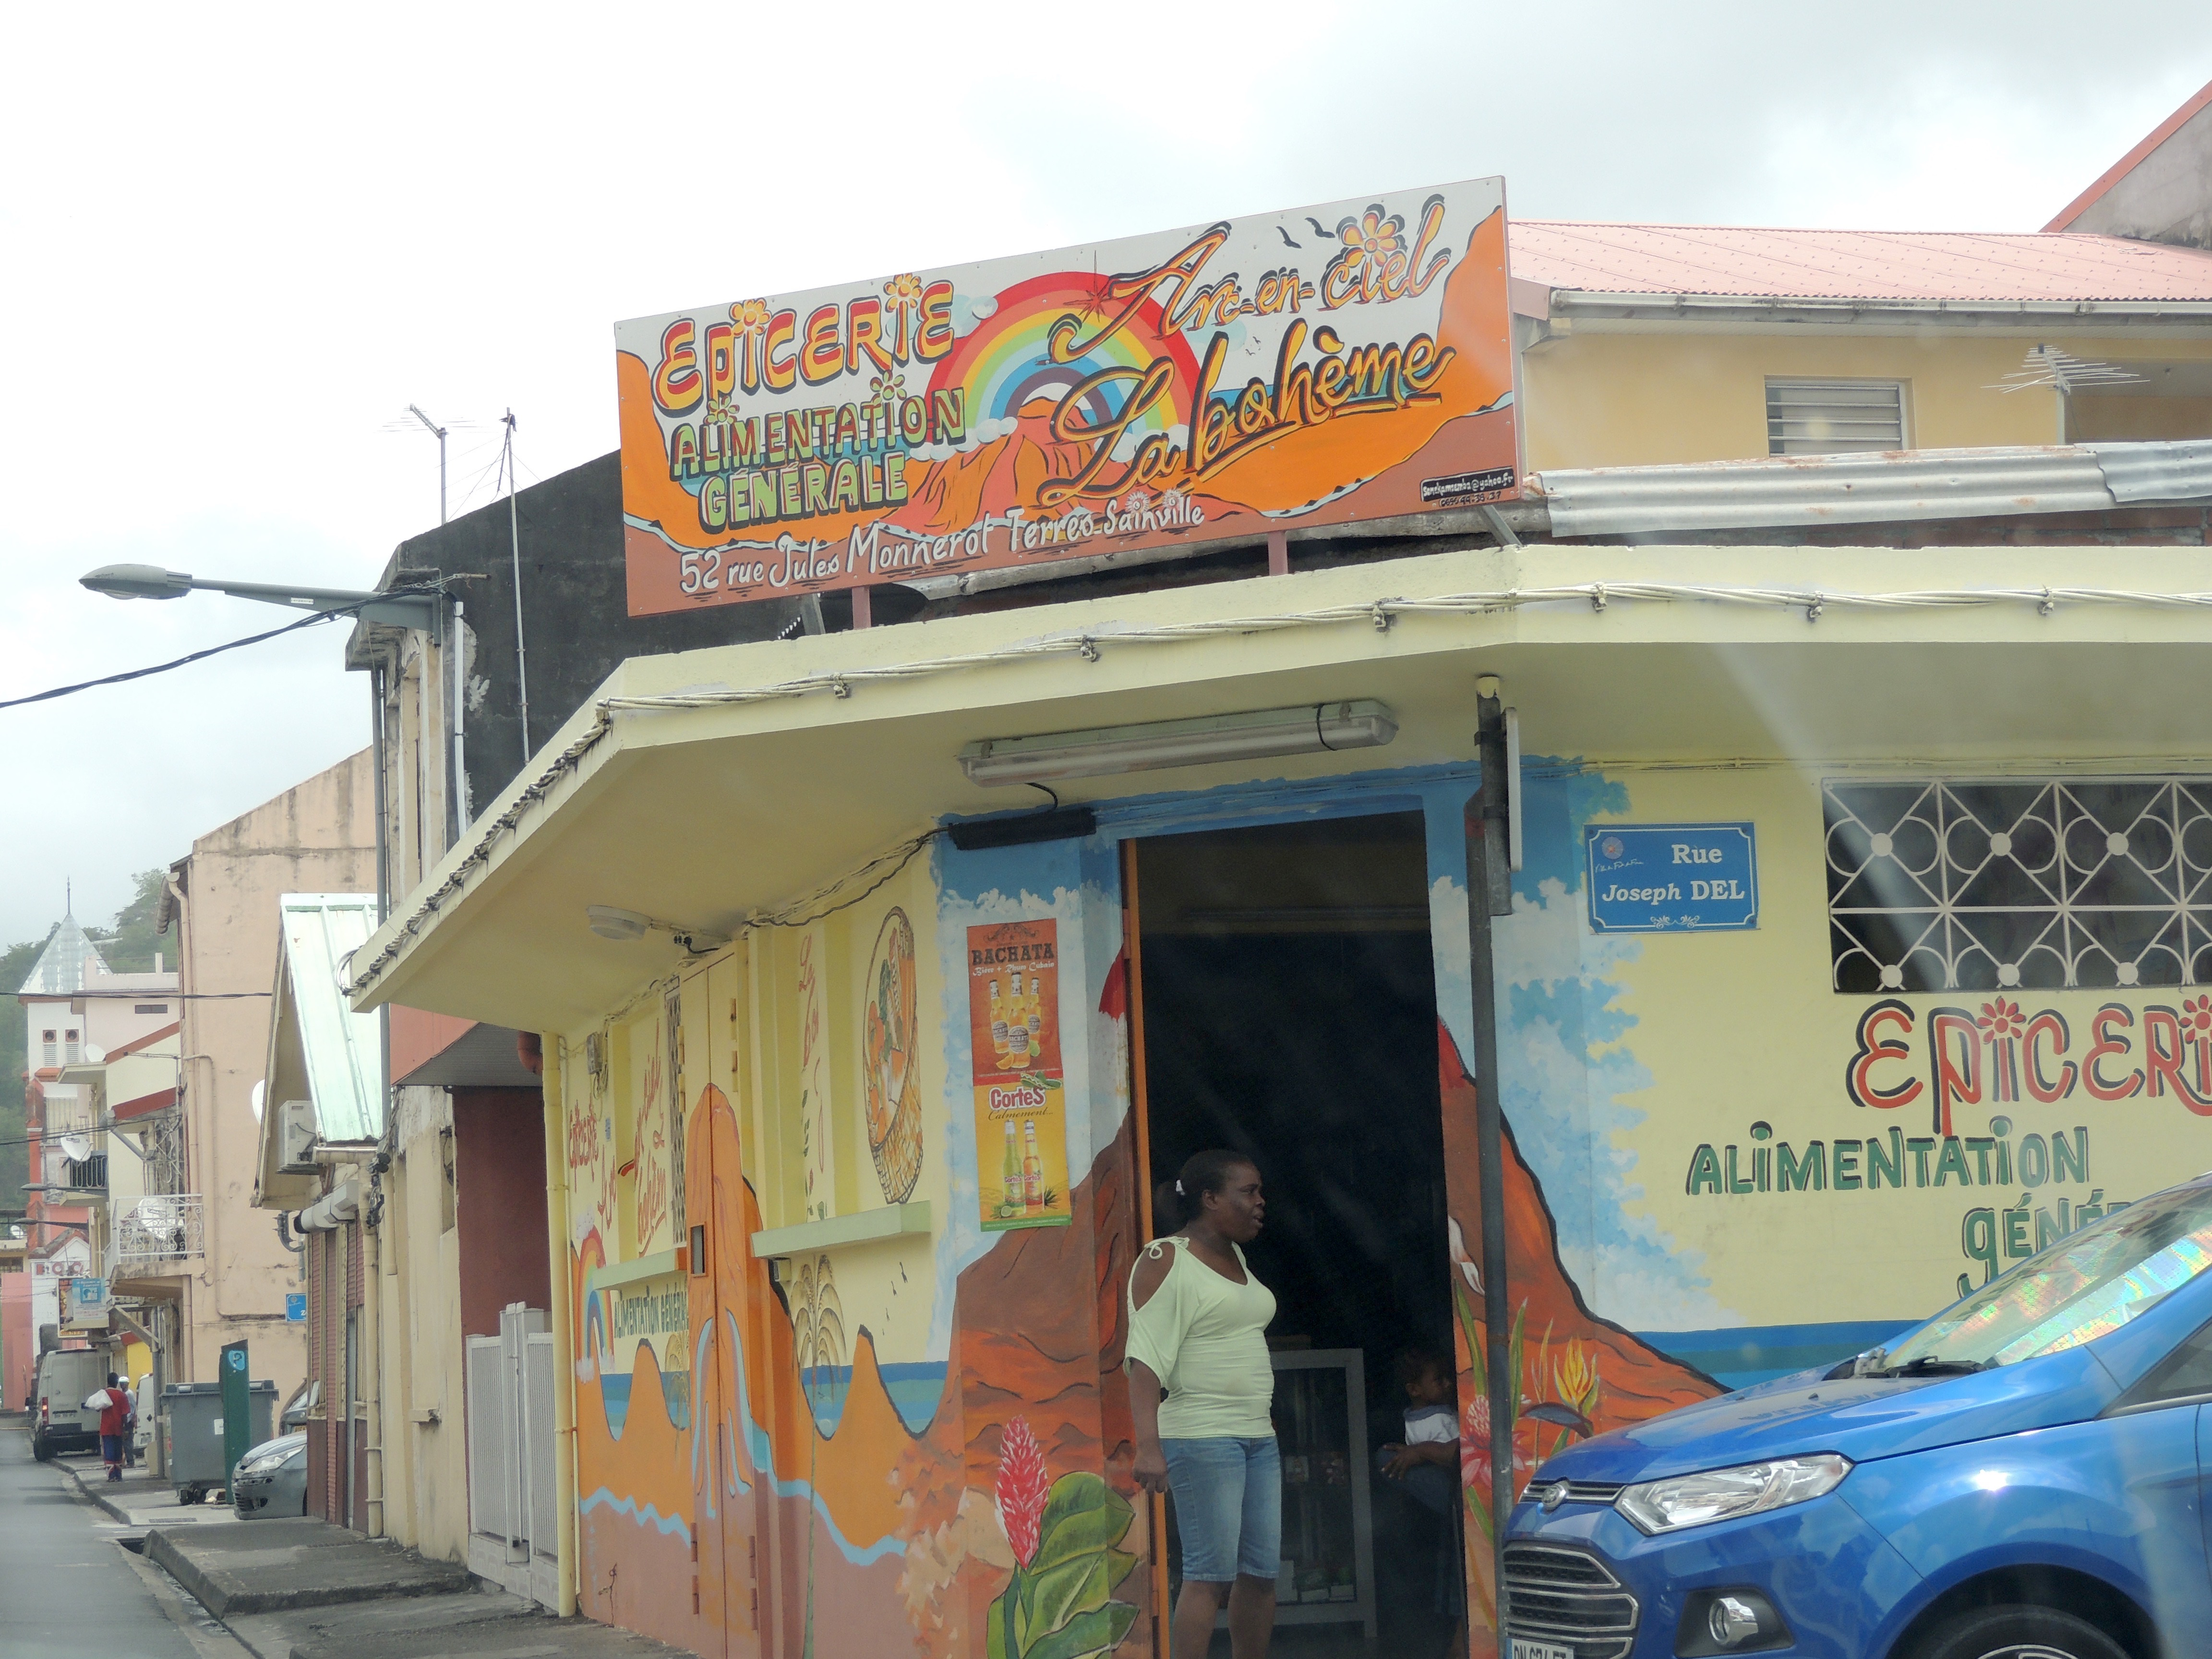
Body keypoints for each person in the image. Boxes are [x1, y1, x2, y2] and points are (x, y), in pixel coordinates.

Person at [1126, 1150, 1278, 1659]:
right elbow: (1144, 1359)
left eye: (1259, 1192)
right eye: (1248, 1192)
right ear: (1210, 1199)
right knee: (1209, 1577)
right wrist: (1149, 1447)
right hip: (1201, 1436)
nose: (1260, 1202)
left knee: (1260, 1574)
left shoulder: (1235, 1256)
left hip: (1257, 1436)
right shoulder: (1164, 1258)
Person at [1376, 1347, 1467, 1657]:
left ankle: (1459, 1642)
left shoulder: (1443, 1414)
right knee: (1385, 1458)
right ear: (1414, 1390)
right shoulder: (1427, 1420)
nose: (1448, 1384)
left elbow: (1464, 1450)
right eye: (1439, 1380)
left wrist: (1419, 1453)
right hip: (1452, 1499)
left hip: (1460, 1497)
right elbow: (1457, 1452)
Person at [94, 1372, 132, 1482]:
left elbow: (97, 1408)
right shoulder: (122, 1396)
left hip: (106, 1428)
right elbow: (125, 1414)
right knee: (118, 1452)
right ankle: (119, 1475)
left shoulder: (104, 1394)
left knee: (109, 1451)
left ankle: (111, 1476)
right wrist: (125, 1428)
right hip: (118, 1427)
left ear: (108, 1382)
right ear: (117, 1383)